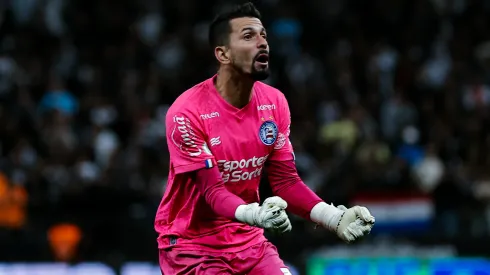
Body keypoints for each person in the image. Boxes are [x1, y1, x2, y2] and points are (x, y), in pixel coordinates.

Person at [155, 2, 375, 274]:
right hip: (192, 246)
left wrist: (333, 217)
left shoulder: (274, 102)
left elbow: (286, 181)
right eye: (248, 36)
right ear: (223, 54)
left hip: (249, 242)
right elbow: (213, 192)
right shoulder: (187, 112)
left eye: (264, 36)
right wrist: (256, 214)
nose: (263, 43)